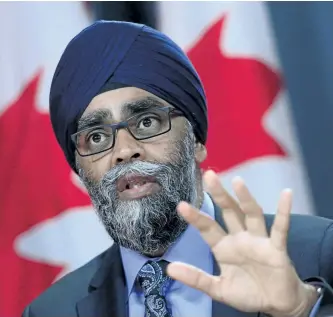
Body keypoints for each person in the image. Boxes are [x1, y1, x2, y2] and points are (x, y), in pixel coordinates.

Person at [22, 20, 333, 317]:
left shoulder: (318, 251)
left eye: (147, 122)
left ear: (196, 139)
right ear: (79, 169)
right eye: (98, 137)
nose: (125, 150)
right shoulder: (53, 310)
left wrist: (301, 309)